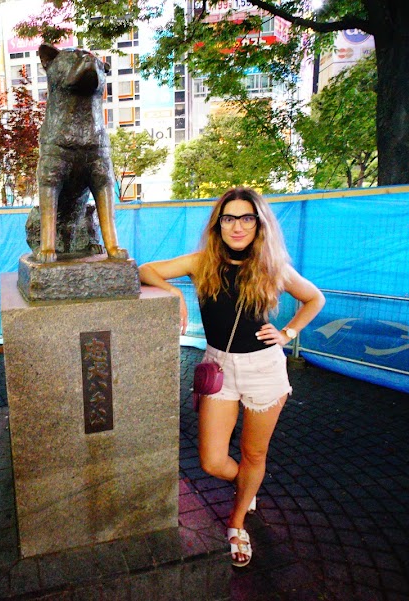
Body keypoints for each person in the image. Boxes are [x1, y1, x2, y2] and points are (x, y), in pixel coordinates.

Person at [138, 187, 324, 567]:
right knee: (211, 460)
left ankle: (238, 522)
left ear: (259, 224)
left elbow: (315, 298)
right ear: (218, 224)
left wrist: (287, 333)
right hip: (219, 367)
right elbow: (146, 270)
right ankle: (247, 486)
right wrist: (173, 293)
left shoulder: (273, 266)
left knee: (254, 452)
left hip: (264, 370)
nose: (237, 226)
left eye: (246, 218)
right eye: (229, 218)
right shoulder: (202, 262)